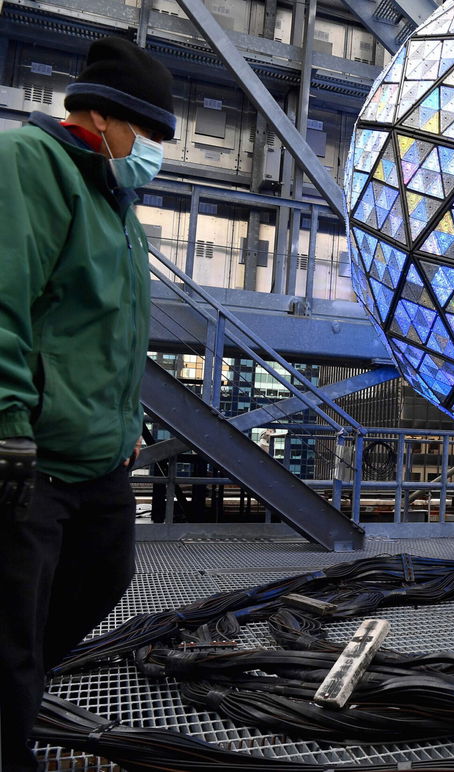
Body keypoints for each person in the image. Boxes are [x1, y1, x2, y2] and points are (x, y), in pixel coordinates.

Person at [0, 36, 175, 771]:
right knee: (9, 630)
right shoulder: (30, 164)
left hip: (99, 455)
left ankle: (21, 690)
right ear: (104, 117)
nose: (152, 151)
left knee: (104, 576)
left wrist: (128, 420)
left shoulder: (115, 197)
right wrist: (8, 423)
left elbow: (114, 331)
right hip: (31, 456)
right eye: (147, 133)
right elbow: (6, 298)